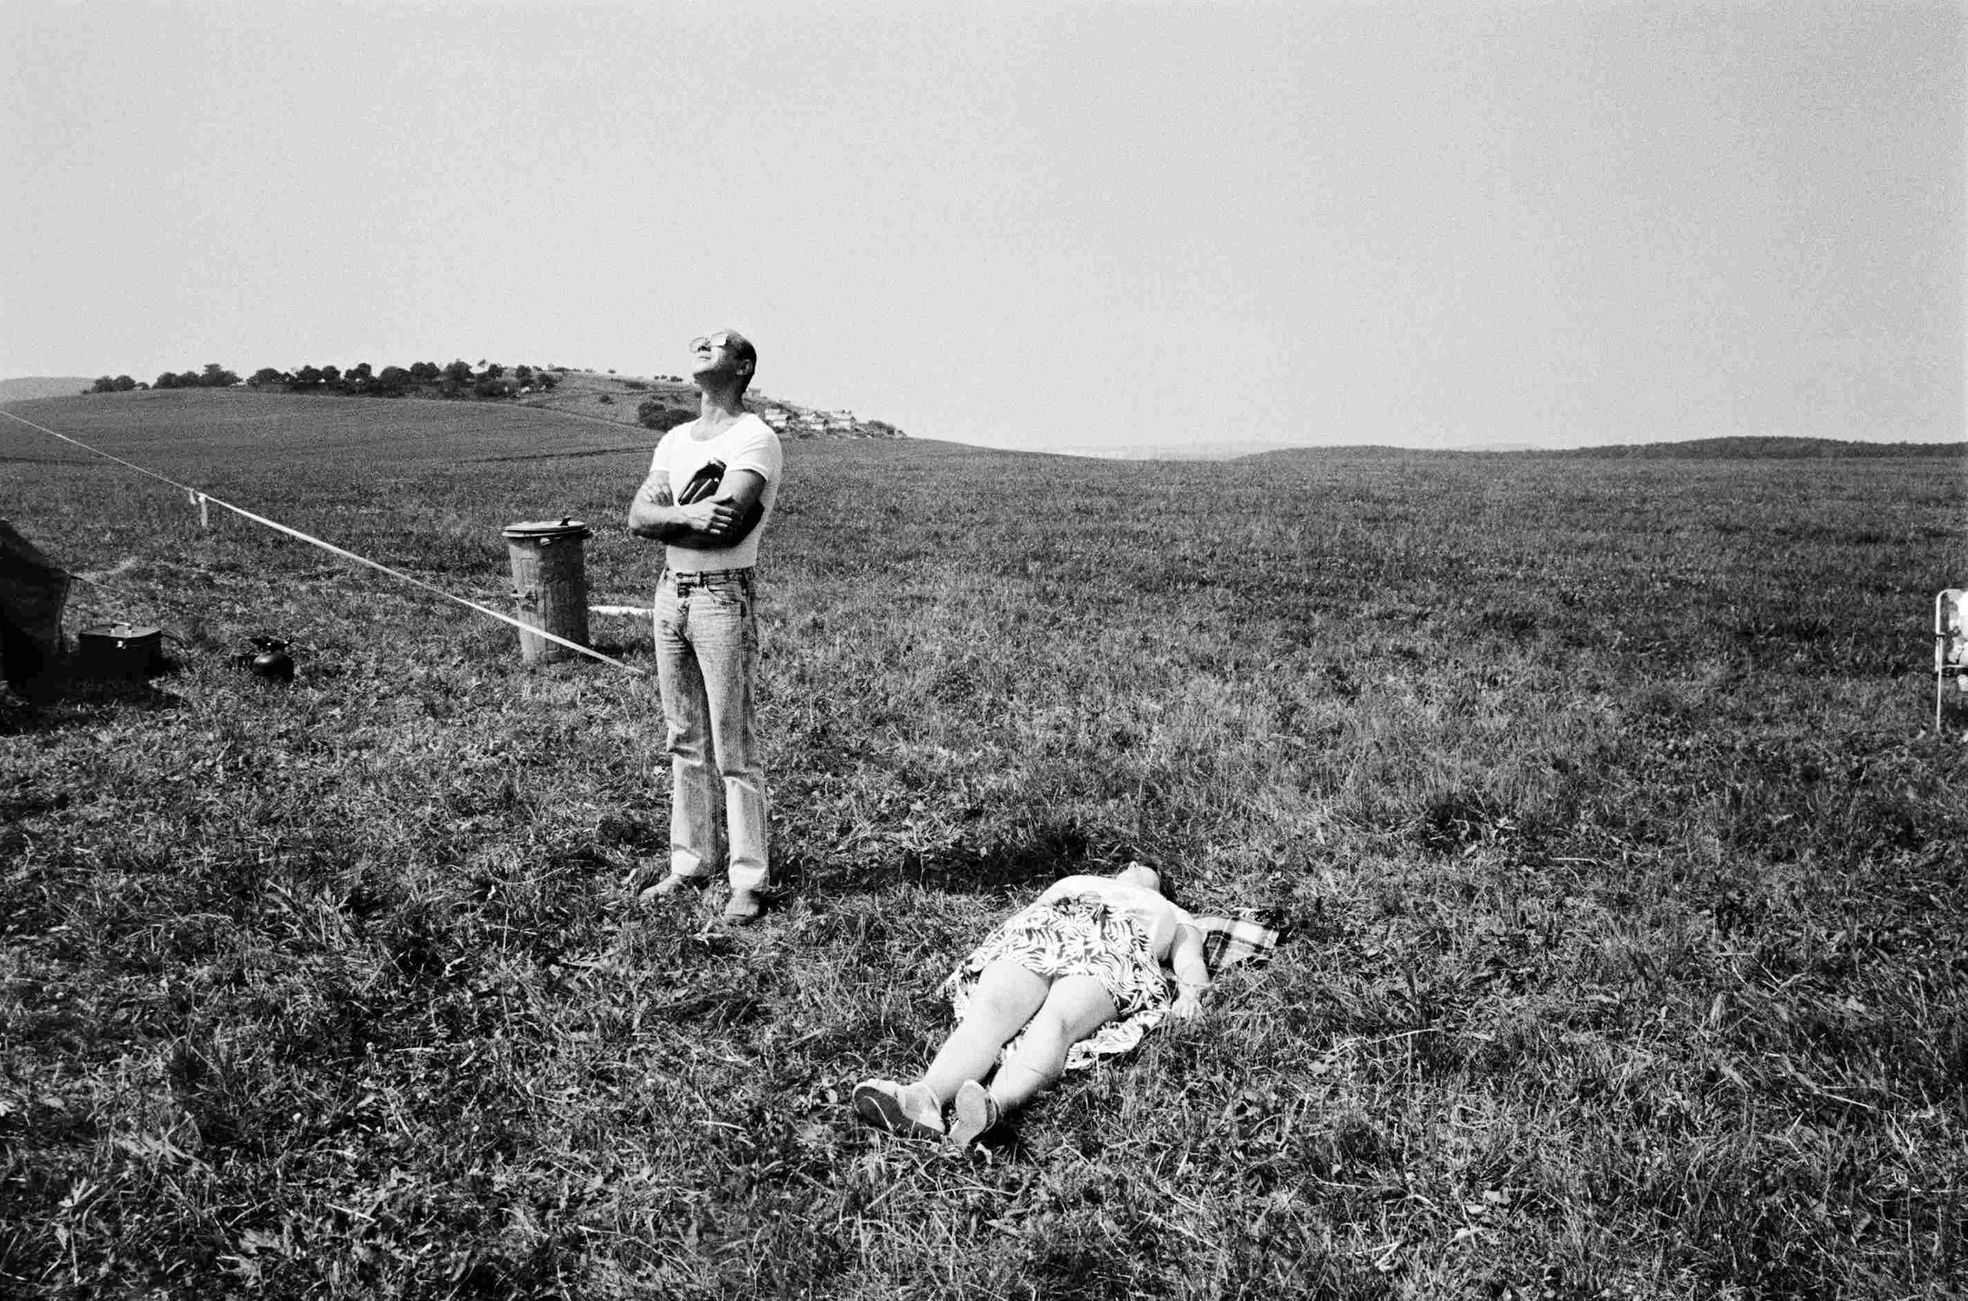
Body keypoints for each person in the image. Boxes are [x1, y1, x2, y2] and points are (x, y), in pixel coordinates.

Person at [853, 862, 1214, 1147]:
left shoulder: (1171, 910)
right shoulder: (1081, 881)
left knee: (1056, 1021)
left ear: (1161, 886)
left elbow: (1191, 962)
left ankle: (991, 1107)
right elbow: (1031, 912)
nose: (1135, 866)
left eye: (1147, 868)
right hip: (1046, 929)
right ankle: (924, 1098)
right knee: (990, 1011)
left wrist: (1190, 995)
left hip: (1115, 945)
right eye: (1132, 864)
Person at [627, 329, 783, 923]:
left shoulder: (755, 437)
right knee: (683, 739)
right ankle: (689, 865)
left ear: (742, 367)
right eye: (697, 340)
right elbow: (636, 517)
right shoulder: (673, 439)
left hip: (722, 595)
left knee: (733, 746)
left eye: (717, 343)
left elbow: (729, 529)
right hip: (670, 594)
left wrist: (667, 517)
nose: (702, 345)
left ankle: (749, 879)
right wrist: (689, 514)